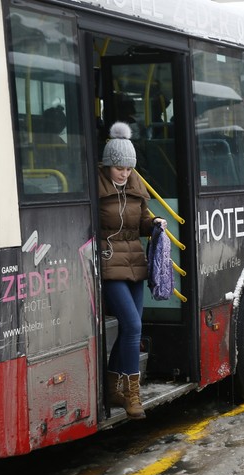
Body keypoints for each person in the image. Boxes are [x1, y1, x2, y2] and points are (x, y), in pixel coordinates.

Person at [99, 122, 167, 419]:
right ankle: (131, 394)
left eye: (128, 168)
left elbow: (141, 223)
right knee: (134, 326)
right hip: (109, 263)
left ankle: (113, 385)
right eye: (119, 168)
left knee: (130, 326)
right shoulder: (97, 189)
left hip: (135, 263)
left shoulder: (137, 189)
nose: (124, 173)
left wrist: (153, 224)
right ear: (108, 164)